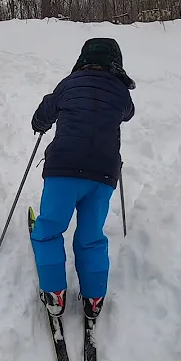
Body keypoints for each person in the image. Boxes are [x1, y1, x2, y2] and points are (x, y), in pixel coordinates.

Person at [29, 37, 136, 321]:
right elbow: (128, 113)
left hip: (64, 167)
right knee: (91, 236)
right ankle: (94, 296)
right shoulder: (121, 92)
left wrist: (40, 124)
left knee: (49, 229)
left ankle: (54, 292)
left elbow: (46, 109)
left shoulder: (69, 84)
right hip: (102, 174)